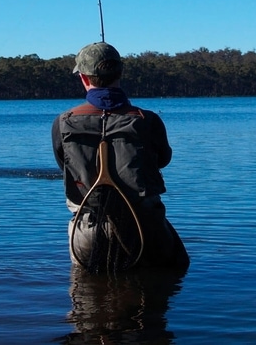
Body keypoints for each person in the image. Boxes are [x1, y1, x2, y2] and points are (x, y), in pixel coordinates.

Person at [51, 42, 189, 272]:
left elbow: (64, 166)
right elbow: (163, 160)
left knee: (86, 293)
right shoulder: (148, 120)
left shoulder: (62, 122)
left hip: (87, 231)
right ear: (120, 73)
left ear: (83, 78)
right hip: (144, 226)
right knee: (165, 280)